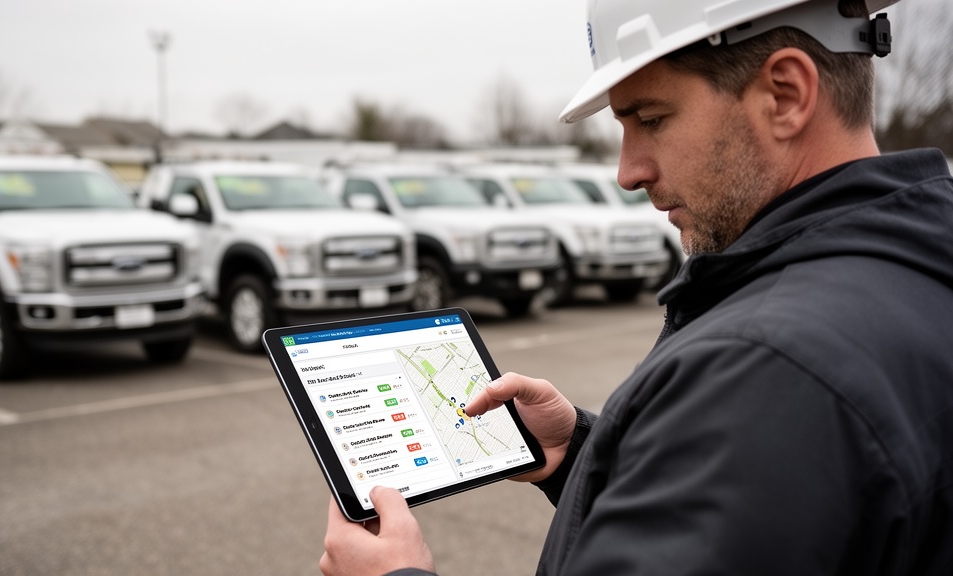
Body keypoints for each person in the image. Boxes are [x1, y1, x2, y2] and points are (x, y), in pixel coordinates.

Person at [318, 0, 953, 573]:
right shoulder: (910, 269)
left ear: (785, 95)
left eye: (651, 117)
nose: (628, 172)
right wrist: (584, 455)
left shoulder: (766, 371)